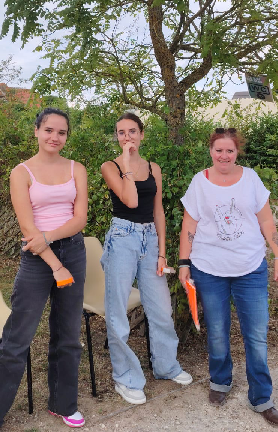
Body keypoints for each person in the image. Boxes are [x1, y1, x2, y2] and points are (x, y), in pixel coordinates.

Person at [0, 107, 89, 431]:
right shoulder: (21, 173)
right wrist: (54, 262)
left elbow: (79, 220)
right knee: (16, 339)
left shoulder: (77, 169)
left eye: (62, 132)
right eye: (49, 130)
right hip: (37, 261)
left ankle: (63, 404)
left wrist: (50, 240)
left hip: (72, 251)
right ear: (36, 131)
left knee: (68, 336)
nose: (55, 137)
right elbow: (27, 226)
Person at [178, 127, 278, 428]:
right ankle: (220, 382)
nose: (223, 155)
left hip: (250, 268)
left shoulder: (251, 179)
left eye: (229, 150)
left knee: (255, 336)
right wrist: (184, 262)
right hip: (209, 267)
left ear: (237, 151)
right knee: (216, 331)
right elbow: (189, 223)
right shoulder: (200, 182)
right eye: (218, 150)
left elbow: (266, 219)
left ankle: (262, 398)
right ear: (210, 150)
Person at [100, 112, 192, 405]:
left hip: (150, 238)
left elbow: (157, 210)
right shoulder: (110, 166)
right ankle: (125, 378)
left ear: (141, 134)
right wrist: (126, 164)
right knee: (117, 312)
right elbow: (130, 201)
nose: (126, 137)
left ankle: (166, 366)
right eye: (120, 132)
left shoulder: (154, 168)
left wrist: (162, 252)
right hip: (122, 238)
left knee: (161, 308)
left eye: (131, 131)